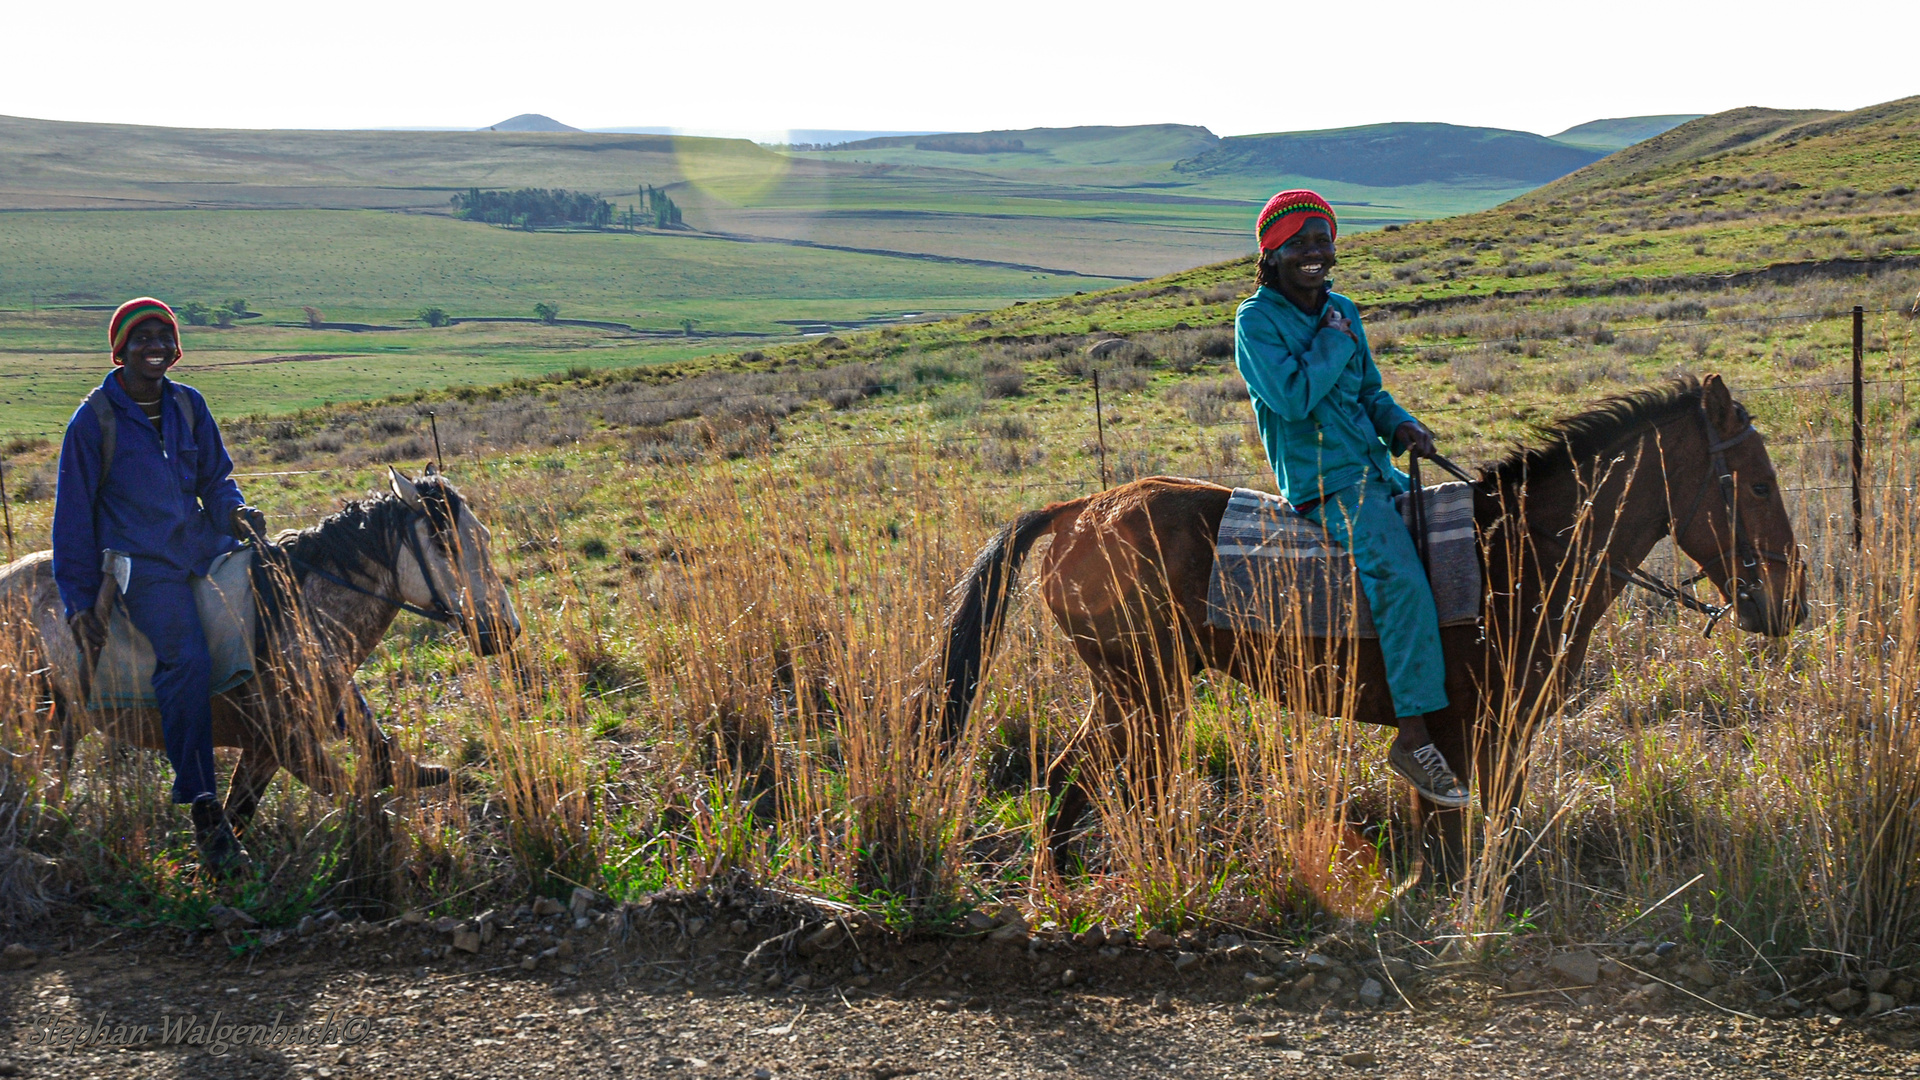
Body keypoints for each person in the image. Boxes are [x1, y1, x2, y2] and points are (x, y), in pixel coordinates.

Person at [1233, 192, 1469, 809]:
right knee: (1397, 574)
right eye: (1300, 242)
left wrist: (1402, 426)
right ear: (1272, 252)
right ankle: (1412, 735)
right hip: (1325, 483)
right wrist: (1333, 344)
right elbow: (1291, 398)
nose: (1314, 252)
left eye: (1323, 240)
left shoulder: (1342, 310)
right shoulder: (1255, 321)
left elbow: (1370, 392)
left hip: (1374, 467)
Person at [53, 297, 269, 874]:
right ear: (120, 350)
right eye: (141, 338)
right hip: (142, 567)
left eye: (163, 338)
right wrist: (78, 598)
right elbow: (72, 517)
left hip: (202, 547)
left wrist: (237, 515)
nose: (154, 347)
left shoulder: (188, 405)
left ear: (176, 348)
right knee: (187, 660)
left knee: (283, 608)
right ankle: (203, 808)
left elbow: (216, 480)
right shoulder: (93, 419)